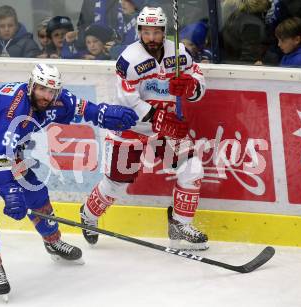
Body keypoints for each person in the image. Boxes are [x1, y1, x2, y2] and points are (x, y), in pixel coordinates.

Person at [0, 63, 139, 300]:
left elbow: (84, 109)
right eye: (41, 89)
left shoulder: (56, 100)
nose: (46, 96)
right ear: (31, 85)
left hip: (1, 149)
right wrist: (10, 191)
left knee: (35, 193)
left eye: (51, 91)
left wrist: (104, 114)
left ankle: (53, 242)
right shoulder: (14, 109)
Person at [79, 6, 208, 251]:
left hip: (166, 126)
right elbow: (129, 100)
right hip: (131, 126)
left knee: (192, 166)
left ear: (164, 31)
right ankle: (88, 214)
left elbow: (199, 81)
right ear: (139, 31)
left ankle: (180, 223)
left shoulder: (179, 52)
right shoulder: (129, 59)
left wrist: (190, 87)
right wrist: (158, 119)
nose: (151, 38)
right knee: (117, 181)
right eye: (146, 32)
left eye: (156, 32)